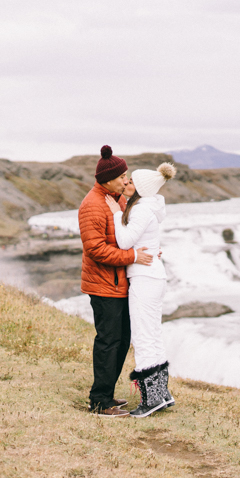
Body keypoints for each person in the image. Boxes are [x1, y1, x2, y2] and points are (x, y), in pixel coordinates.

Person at [78, 145, 154, 417]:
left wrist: (148, 249)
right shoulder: (93, 205)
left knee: (122, 341)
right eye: (122, 176)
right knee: (109, 342)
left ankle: (106, 395)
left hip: (119, 283)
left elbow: (129, 232)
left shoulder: (116, 199)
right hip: (104, 285)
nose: (126, 180)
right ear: (107, 179)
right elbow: (96, 249)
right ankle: (99, 402)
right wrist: (133, 256)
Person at [105, 162, 176, 418]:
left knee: (144, 336)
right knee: (153, 334)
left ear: (141, 189)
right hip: (153, 276)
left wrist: (115, 214)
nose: (126, 183)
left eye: (131, 182)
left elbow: (124, 241)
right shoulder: (149, 207)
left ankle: (151, 400)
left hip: (145, 278)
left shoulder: (142, 210)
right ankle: (161, 394)